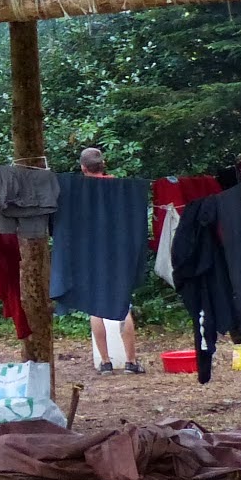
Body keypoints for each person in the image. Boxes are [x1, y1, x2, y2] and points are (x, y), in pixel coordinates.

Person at [78, 146, 143, 375]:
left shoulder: (79, 191)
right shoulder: (118, 186)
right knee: (123, 305)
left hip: (91, 253)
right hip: (117, 251)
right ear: (103, 165)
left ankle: (105, 363)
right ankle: (131, 362)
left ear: (83, 168)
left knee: (95, 307)